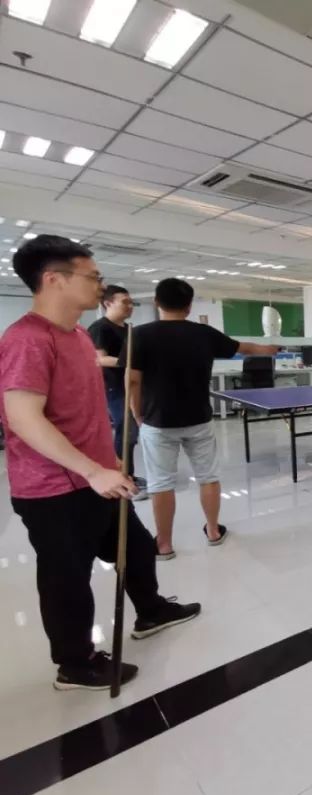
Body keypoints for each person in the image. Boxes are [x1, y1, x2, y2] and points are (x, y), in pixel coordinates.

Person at [0, 236, 200, 690]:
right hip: (53, 489)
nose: (101, 285)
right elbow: (23, 418)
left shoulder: (75, 336)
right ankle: (75, 664)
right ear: (54, 279)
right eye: (92, 276)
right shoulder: (27, 339)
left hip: (96, 478)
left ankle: (150, 611)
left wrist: (108, 459)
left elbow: (81, 411)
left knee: (138, 548)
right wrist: (92, 470)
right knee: (67, 579)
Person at [127, 278, 277, 560]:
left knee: (161, 483)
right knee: (208, 477)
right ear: (189, 306)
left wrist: (137, 413)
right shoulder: (203, 334)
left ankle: (164, 544)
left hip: (157, 421)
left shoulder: (139, 335)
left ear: (157, 302)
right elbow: (241, 347)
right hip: (199, 419)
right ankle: (213, 531)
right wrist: (266, 349)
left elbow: (132, 381)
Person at [88, 284, 148, 500]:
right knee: (127, 433)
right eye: (125, 302)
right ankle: (122, 480)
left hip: (130, 386)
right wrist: (130, 362)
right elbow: (99, 359)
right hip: (114, 388)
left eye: (131, 302)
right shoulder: (100, 328)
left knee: (131, 434)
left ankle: (127, 475)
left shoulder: (128, 329)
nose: (130, 306)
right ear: (108, 303)